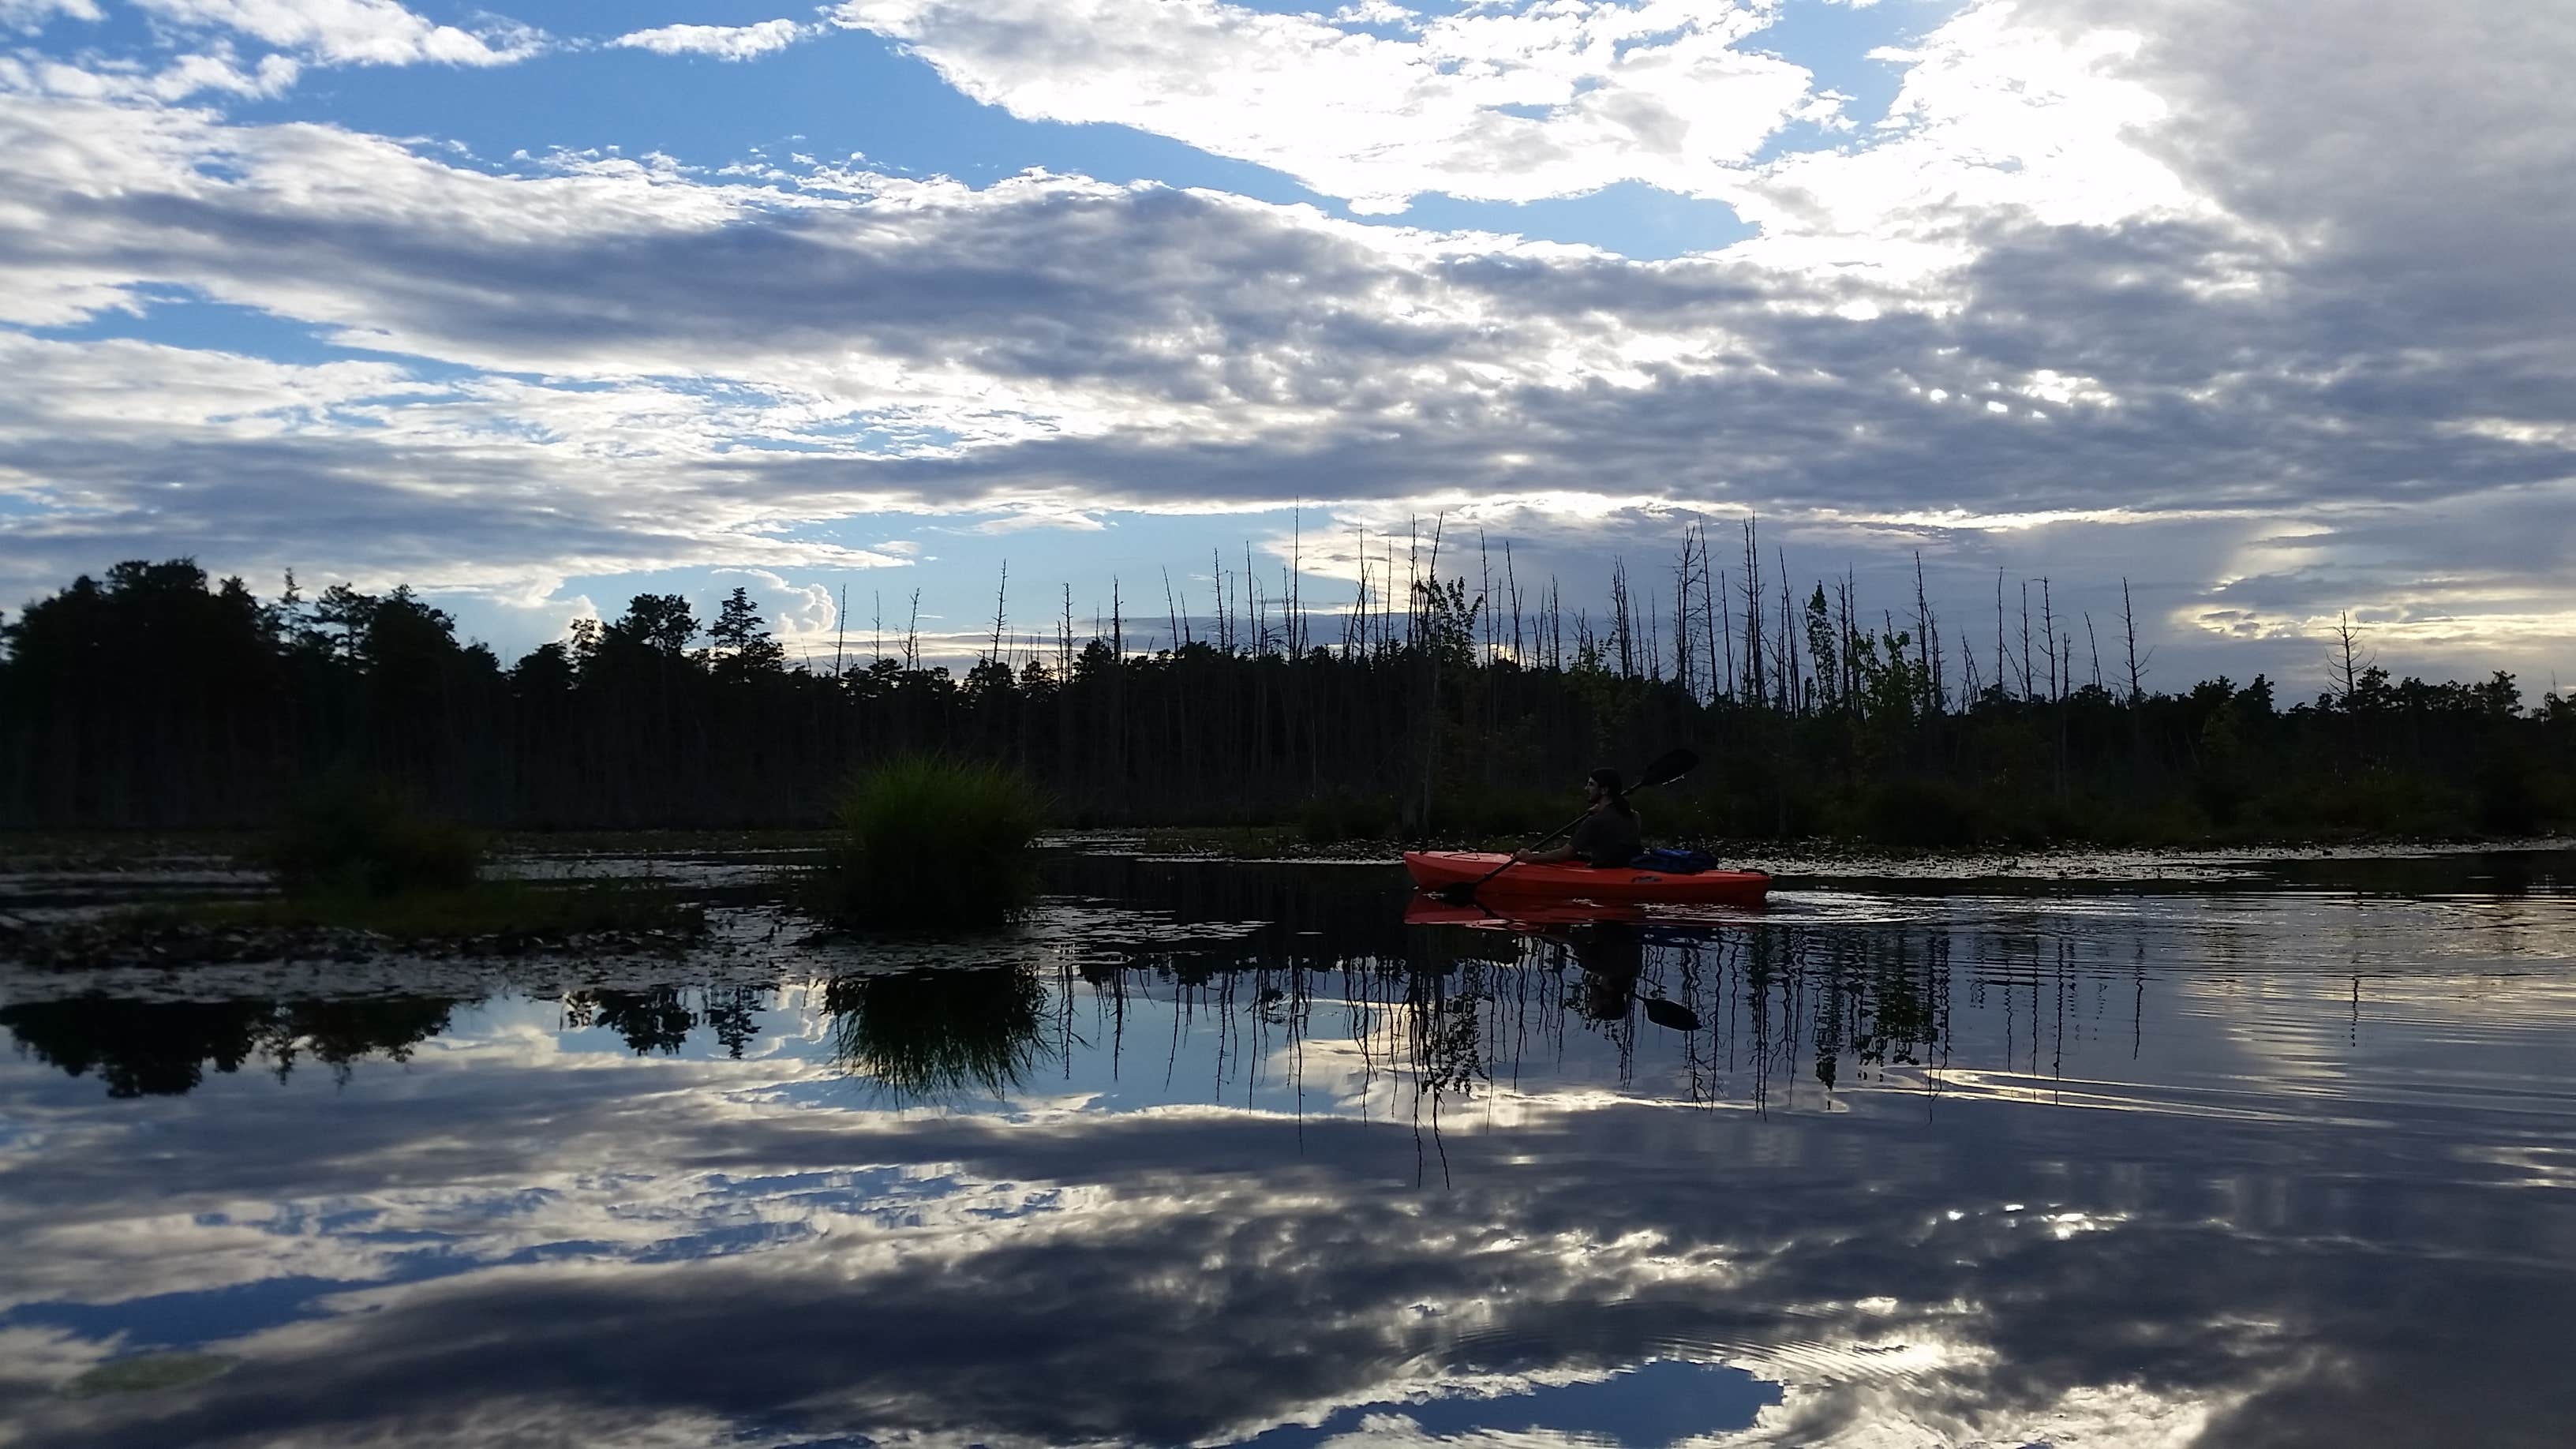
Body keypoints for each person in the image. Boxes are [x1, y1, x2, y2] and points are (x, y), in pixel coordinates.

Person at [1516, 767, 1644, 869]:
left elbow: (1564, 854)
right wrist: (1601, 809)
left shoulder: (1594, 821)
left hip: (1604, 873)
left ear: (1604, 790)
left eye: (1591, 785)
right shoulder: (1634, 816)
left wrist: (1530, 857)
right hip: (1627, 869)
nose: (1586, 788)